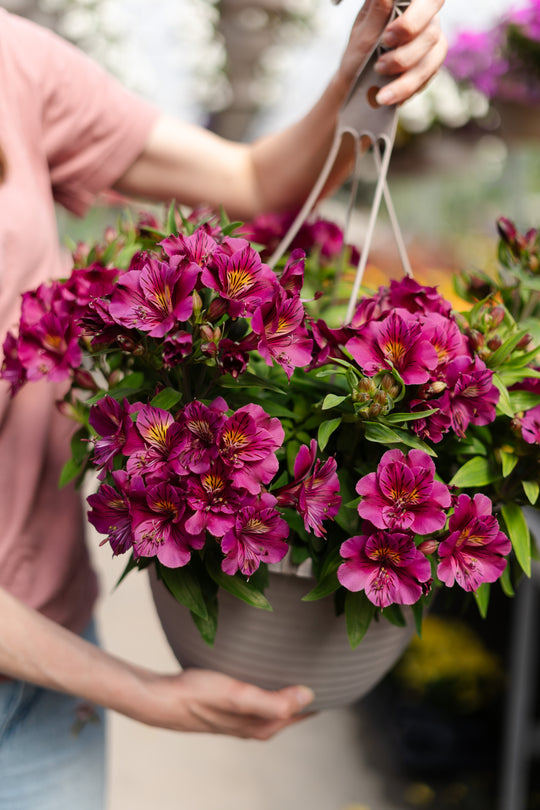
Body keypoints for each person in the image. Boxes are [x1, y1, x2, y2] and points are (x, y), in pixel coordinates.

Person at [0, 1, 447, 807]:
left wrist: (355, 77)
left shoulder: (14, 63)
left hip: (48, 658)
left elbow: (251, 181)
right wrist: (143, 693)